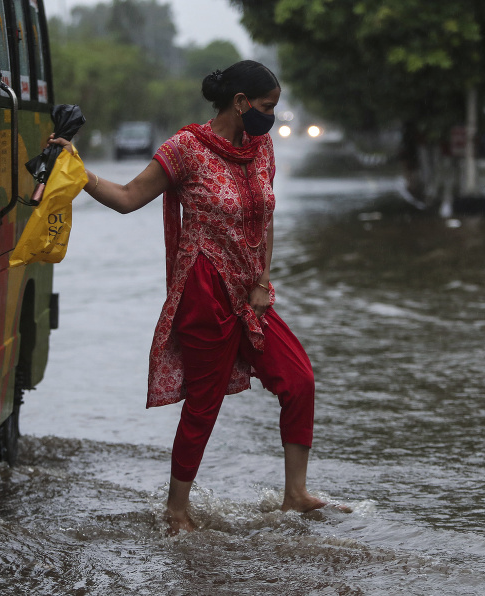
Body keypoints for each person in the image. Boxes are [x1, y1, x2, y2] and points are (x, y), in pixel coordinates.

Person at [50, 60, 327, 534]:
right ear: (240, 104)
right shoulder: (186, 150)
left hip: (250, 292)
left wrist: (263, 281)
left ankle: (295, 494)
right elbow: (128, 197)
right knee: (204, 402)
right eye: (266, 107)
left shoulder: (261, 150)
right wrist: (76, 171)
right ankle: (177, 509)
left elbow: (266, 216)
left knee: (298, 380)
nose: (271, 118)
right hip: (204, 291)